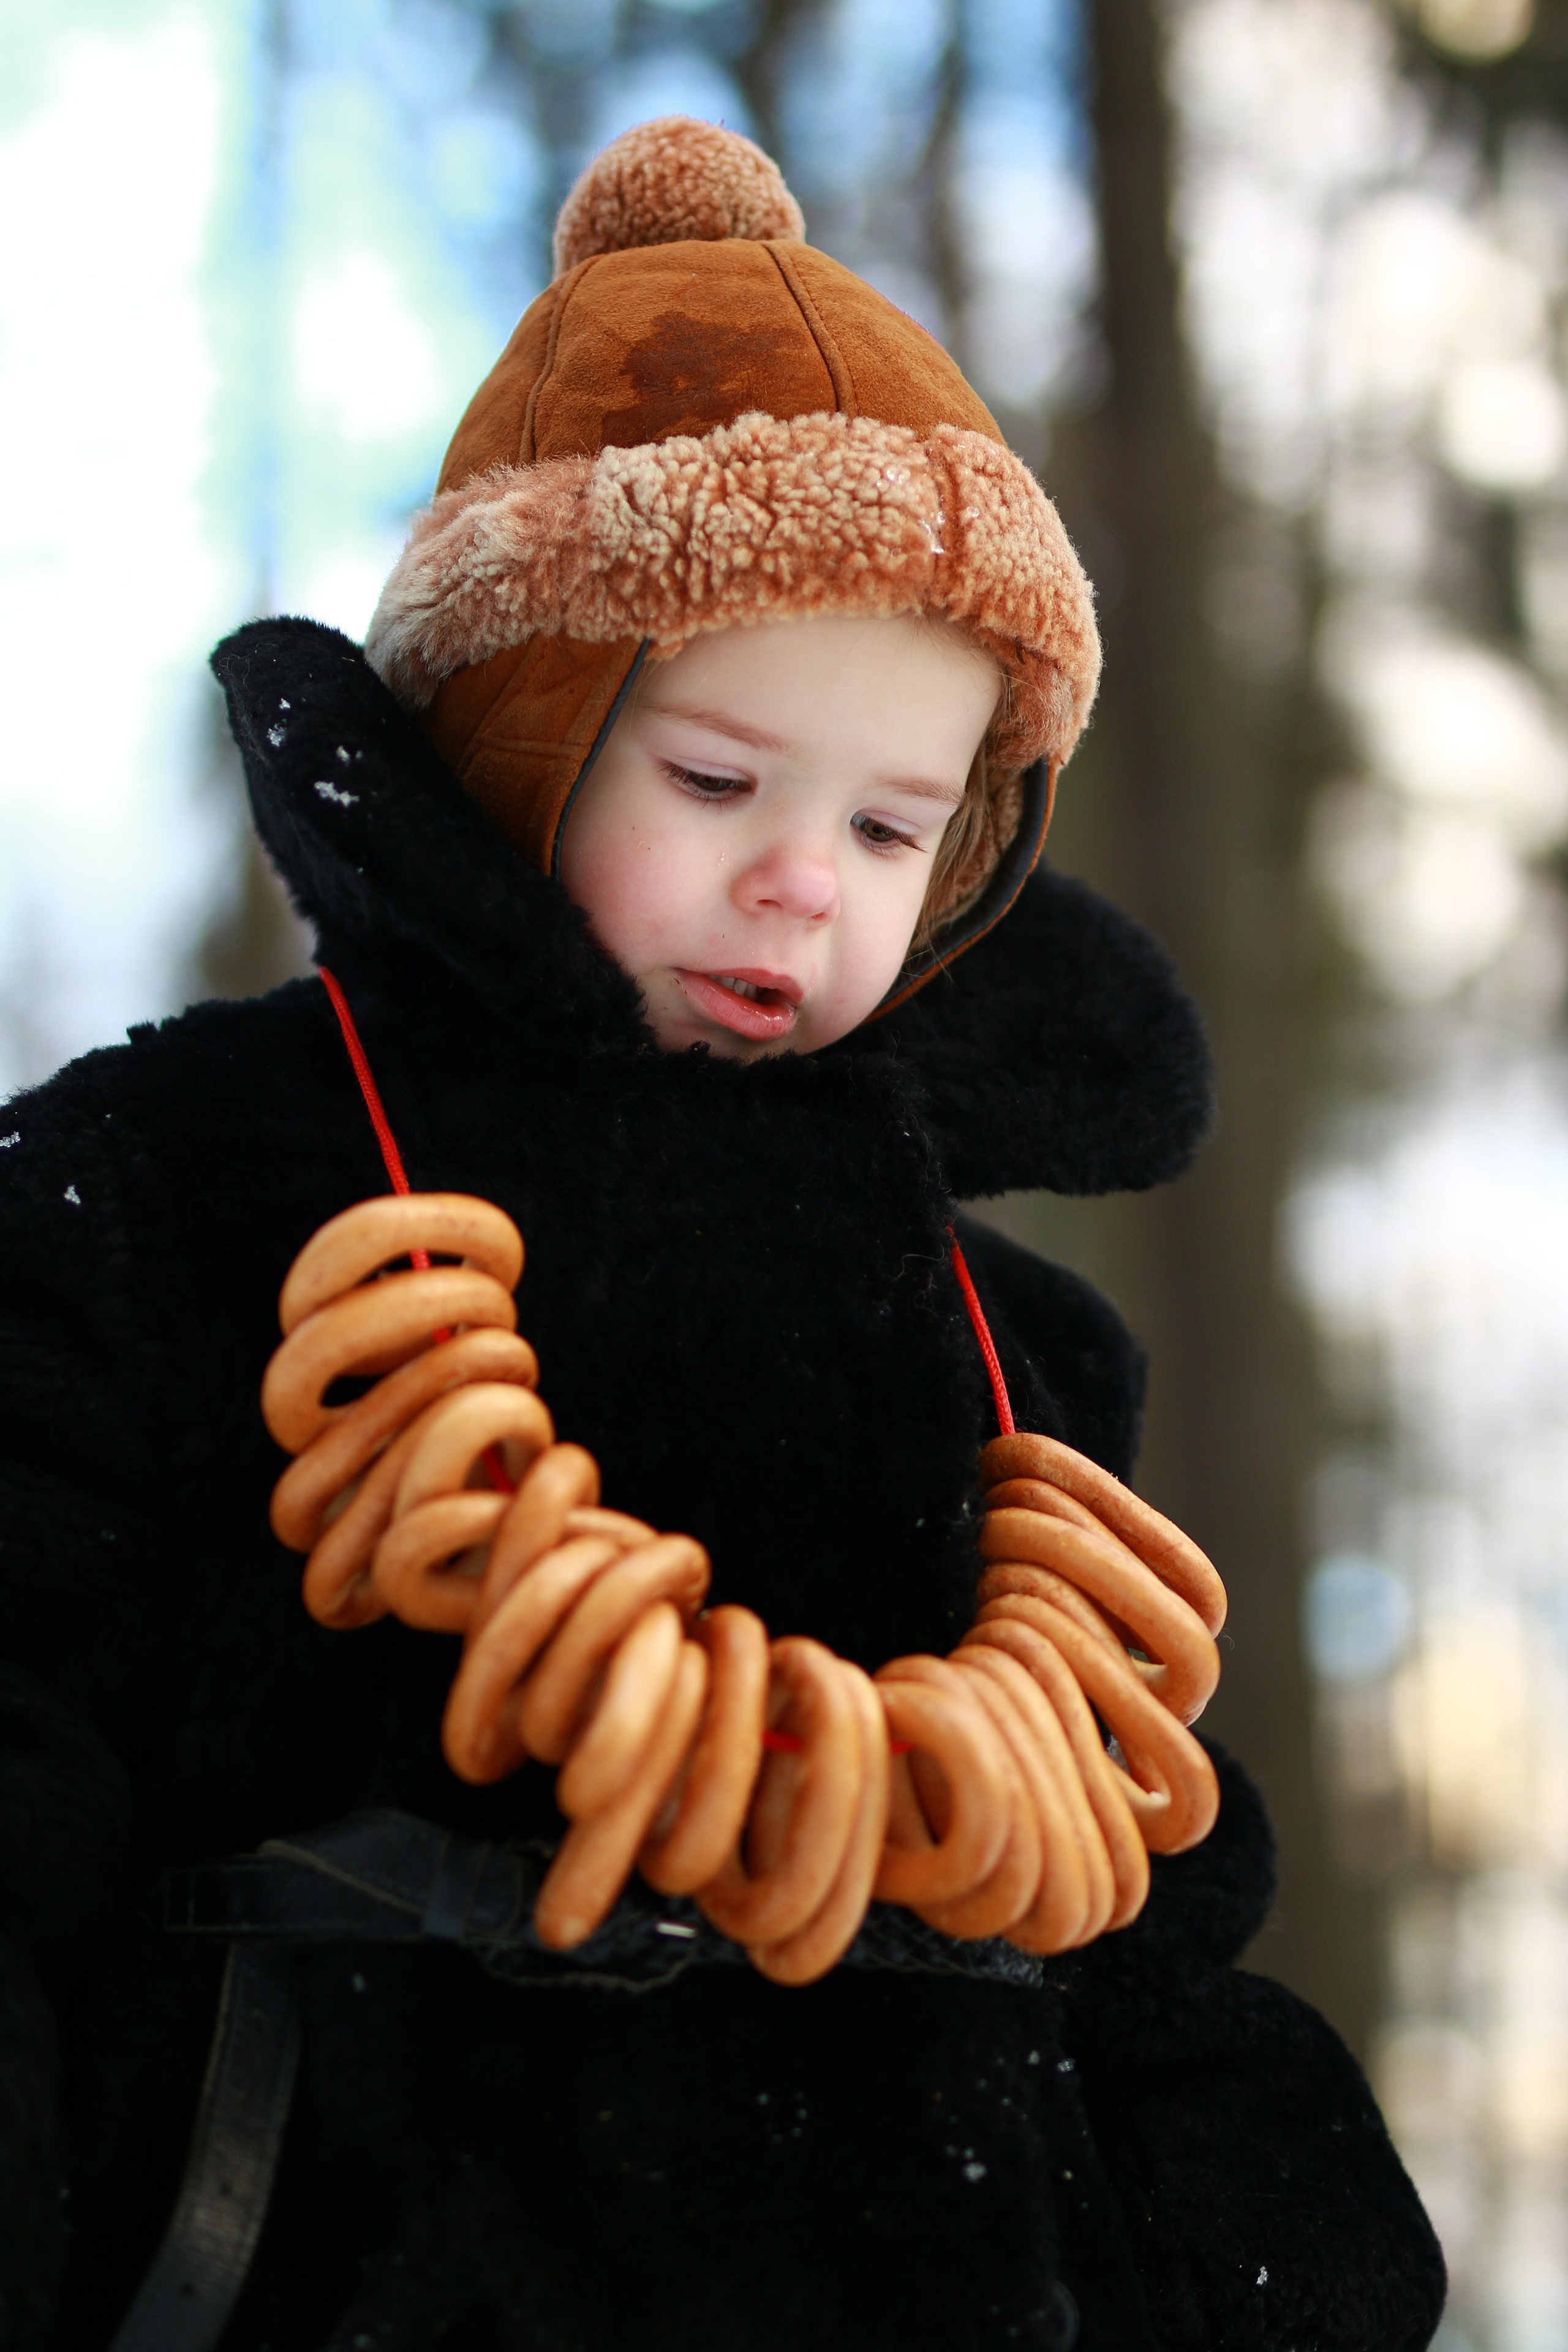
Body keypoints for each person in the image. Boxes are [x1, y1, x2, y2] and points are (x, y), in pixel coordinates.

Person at [0, 117, 1444, 2352]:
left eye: (889, 826)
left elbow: (1149, 1909)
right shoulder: (182, 1185)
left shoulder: (1003, 1347)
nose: (803, 882)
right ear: (516, 728)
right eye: (712, 783)